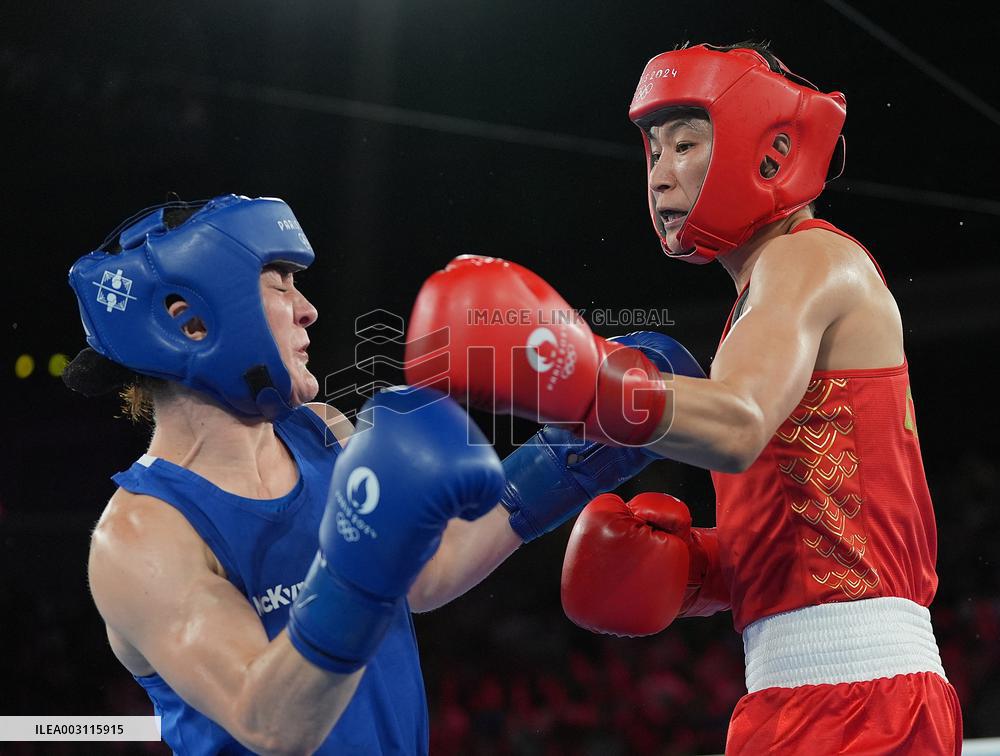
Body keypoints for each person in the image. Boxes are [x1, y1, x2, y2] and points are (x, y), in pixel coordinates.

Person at [403, 43, 962, 754]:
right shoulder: (760, 303)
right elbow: (828, 519)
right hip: (800, 698)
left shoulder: (810, 259)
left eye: (687, 145)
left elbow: (739, 422)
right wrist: (700, 571)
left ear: (770, 152)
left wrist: (574, 378)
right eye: (653, 152)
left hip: (861, 703)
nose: (661, 175)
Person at [66, 193, 700, 754]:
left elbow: (424, 575)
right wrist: (358, 560)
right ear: (193, 320)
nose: (308, 310)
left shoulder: (319, 430)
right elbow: (270, 723)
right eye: (280, 285)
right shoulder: (140, 538)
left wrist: (579, 452)